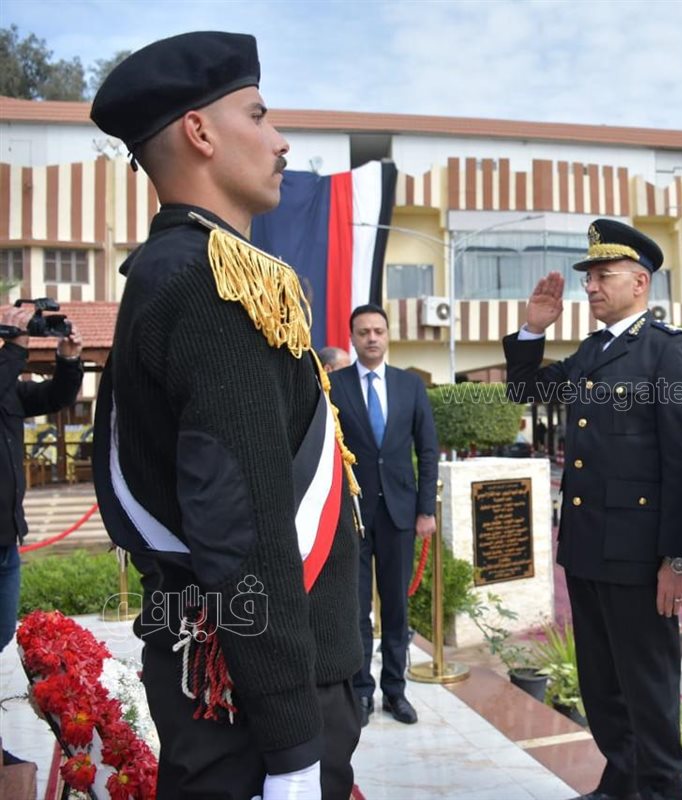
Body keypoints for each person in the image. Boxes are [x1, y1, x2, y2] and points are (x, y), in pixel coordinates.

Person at [89, 32, 362, 798]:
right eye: (259, 115)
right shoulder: (212, 282)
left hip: (227, 679)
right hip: (250, 703)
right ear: (200, 132)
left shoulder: (175, 269)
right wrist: (294, 751)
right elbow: (243, 532)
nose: (280, 142)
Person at [504, 219, 682, 800]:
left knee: (648, 688)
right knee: (602, 686)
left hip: (639, 556)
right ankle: (621, 784)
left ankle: (663, 792)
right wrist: (531, 330)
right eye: (588, 277)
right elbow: (525, 392)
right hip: (589, 547)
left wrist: (676, 560)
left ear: (639, 282)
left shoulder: (668, 351)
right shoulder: (593, 351)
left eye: (602, 275)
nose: (589, 286)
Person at [329, 303, 438, 727]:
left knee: (395, 607)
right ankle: (361, 692)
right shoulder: (334, 386)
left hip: (400, 515)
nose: (372, 338)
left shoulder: (410, 386)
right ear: (353, 338)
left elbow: (427, 450)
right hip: (352, 516)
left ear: (387, 335)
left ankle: (395, 691)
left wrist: (425, 510)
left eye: (378, 330)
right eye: (363, 332)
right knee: (355, 609)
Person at [1, 308, 83, 765]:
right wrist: (16, 346)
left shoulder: (7, 388)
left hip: (7, 540)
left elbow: (53, 396)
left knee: (0, 642)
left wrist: (67, 360)